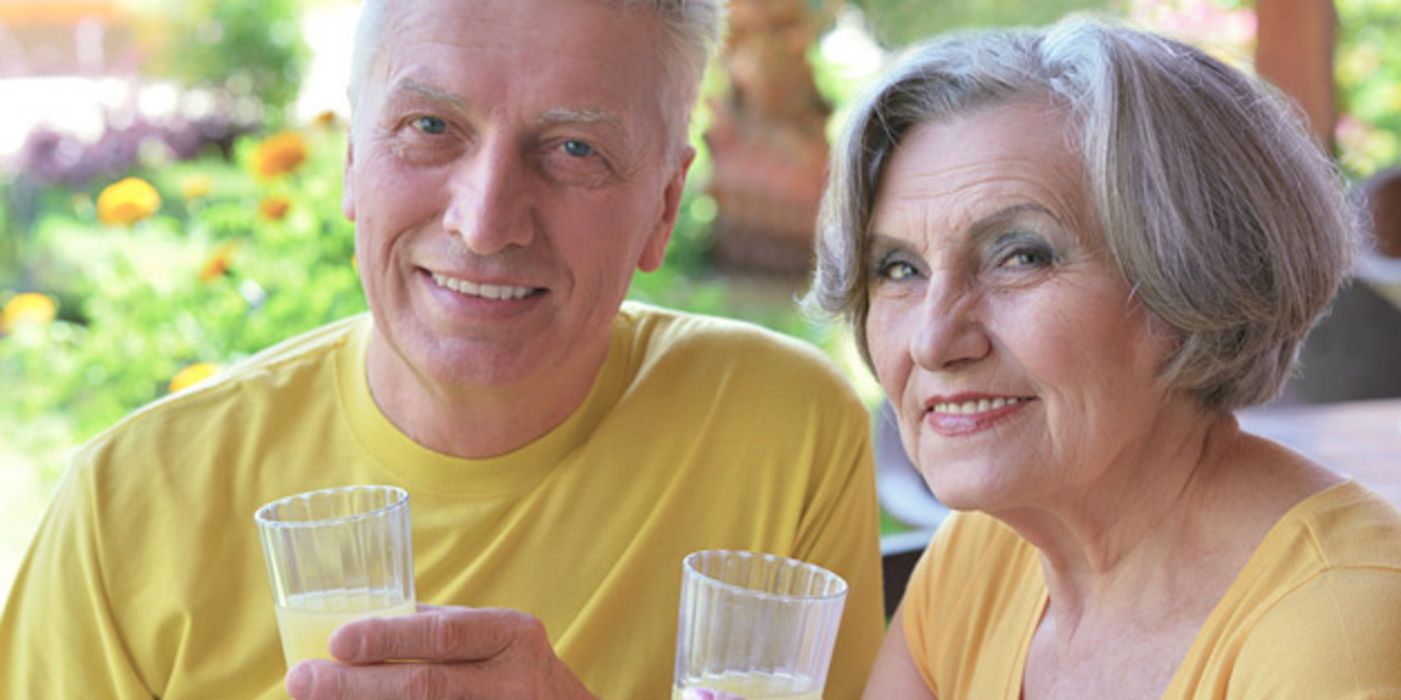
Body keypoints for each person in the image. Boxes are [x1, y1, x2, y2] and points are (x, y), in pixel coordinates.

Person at [0, 0, 885, 697]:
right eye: (430, 127)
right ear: (352, 159)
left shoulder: (780, 432)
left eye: (574, 148)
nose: (485, 219)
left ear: (661, 205)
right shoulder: (131, 503)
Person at [809, 18, 1401, 698]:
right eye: (898, 268)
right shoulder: (980, 561)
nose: (932, 340)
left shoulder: (1340, 633)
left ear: (1193, 282)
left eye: (1020, 256)